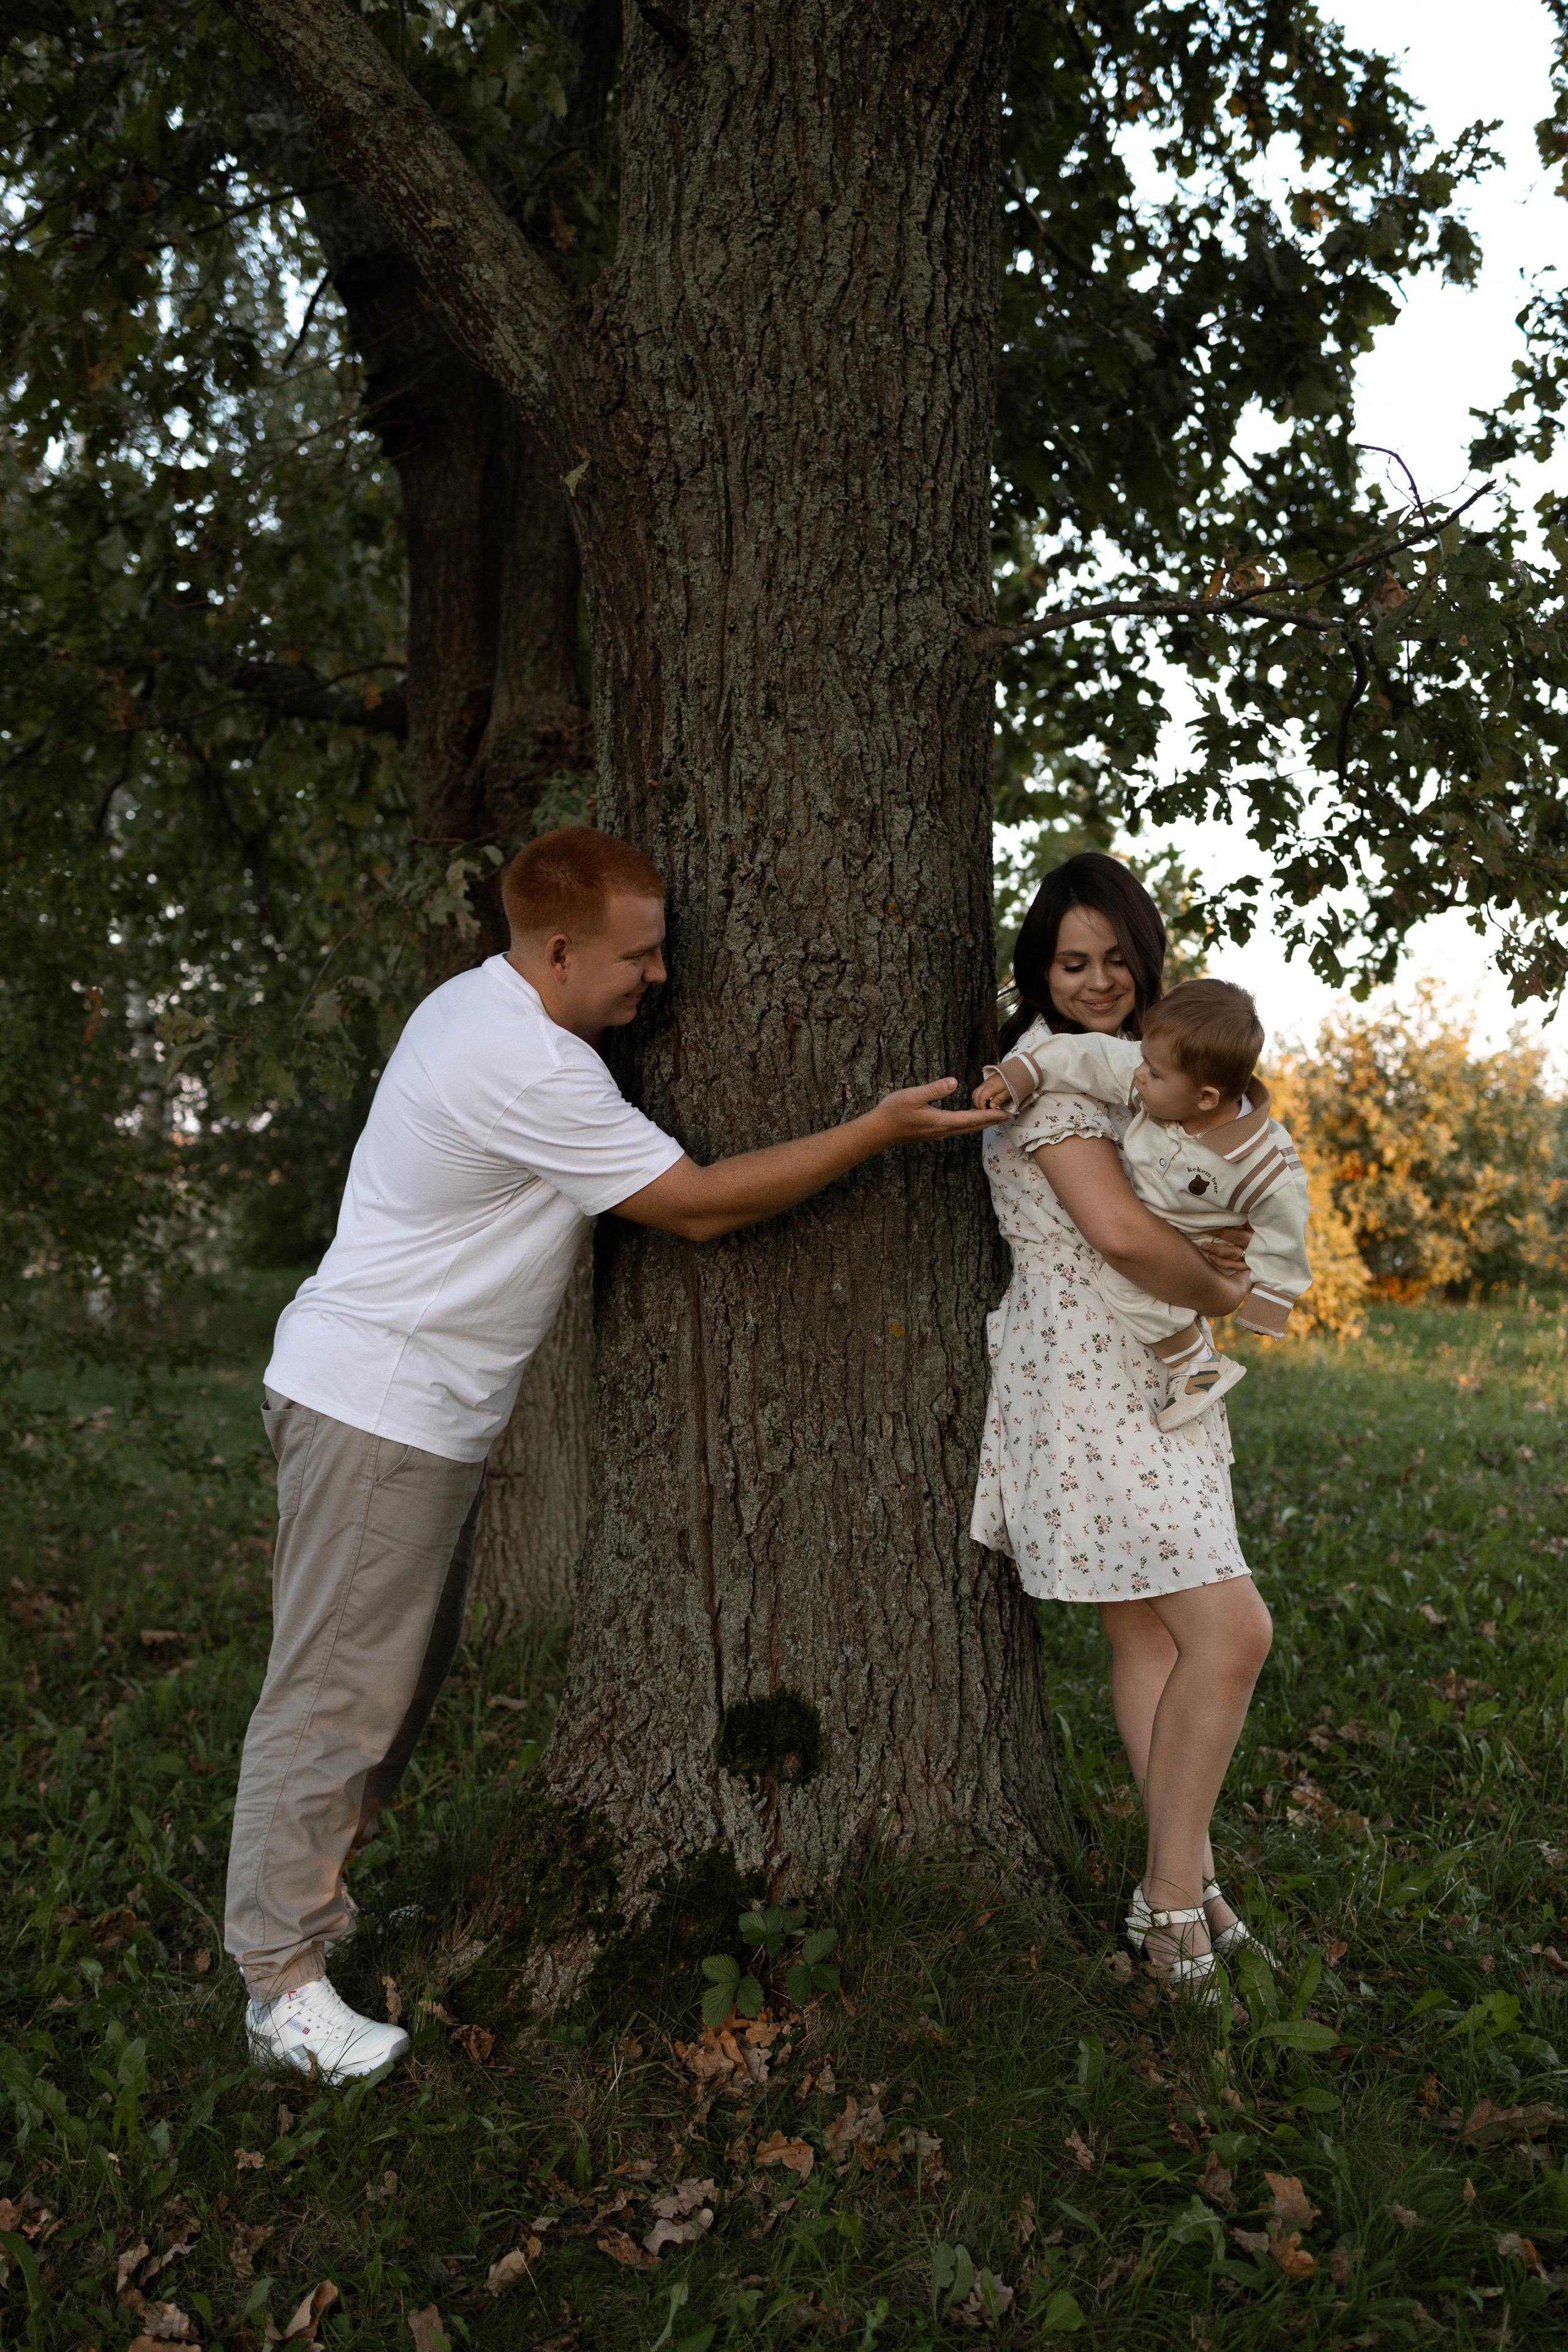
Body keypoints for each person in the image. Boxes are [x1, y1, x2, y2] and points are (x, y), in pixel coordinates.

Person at [228, 826, 1003, 2079]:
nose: (659, 977)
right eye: (638, 957)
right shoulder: (525, 1062)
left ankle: (315, 1912)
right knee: (334, 1700)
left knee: (394, 1687)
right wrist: (872, 1132)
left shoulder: (485, 1009)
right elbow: (695, 1206)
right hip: (377, 1408)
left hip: (407, 1408)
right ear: (557, 952)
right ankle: (279, 1987)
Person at [970, 851, 1274, 2001]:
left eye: (1114, 959)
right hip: (1093, 1384)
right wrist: (1225, 1289)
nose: (1096, 981)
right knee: (1232, 1635)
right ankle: (1173, 1904)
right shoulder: (1052, 1086)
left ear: (1147, 960)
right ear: (1039, 973)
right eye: (1070, 963)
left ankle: (1188, 1893)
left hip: (1149, 1379)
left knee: (1153, 1642)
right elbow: (1119, 1235)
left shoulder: (1146, 1079)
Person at [974, 977, 1311, 1430]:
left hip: (1200, 1238)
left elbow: (1285, 1229)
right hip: (1153, 1224)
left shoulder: (1264, 1165)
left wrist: (1272, 1297)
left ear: (1206, 1098)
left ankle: (1196, 1365)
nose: (1139, 1073)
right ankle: (1198, 1364)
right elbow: (1092, 1057)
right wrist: (1026, 1072)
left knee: (1123, 1286)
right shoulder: (1161, 1078)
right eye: (1143, 1062)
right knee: (1131, 1282)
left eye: (1153, 1072)